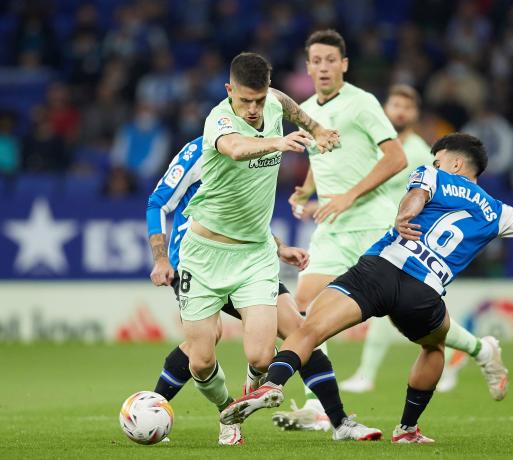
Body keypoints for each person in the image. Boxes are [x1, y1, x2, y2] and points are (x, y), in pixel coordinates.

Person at [221, 132, 513, 444]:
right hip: (424, 292)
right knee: (433, 349)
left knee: (309, 327)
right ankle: (408, 429)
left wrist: (404, 216)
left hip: (382, 267)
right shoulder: (499, 211)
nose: (433, 160)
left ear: (455, 163)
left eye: (438, 155)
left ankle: (271, 384)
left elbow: (415, 198)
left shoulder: (433, 175)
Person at [175, 52, 382, 444]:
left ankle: (276, 405)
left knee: (262, 355)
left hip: (254, 254)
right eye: (244, 100)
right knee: (200, 361)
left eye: (259, 99)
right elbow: (236, 148)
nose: (253, 109)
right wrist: (280, 142)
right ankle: (227, 412)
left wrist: (317, 129)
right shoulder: (219, 119)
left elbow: (287, 104)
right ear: (228, 90)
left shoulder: (273, 101)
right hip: (203, 255)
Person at [146, 136, 322, 444]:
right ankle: (214, 410)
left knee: (297, 329)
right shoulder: (198, 151)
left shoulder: (262, 150)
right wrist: (161, 259)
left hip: (250, 262)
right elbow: (158, 202)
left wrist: (279, 248)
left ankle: (331, 414)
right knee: (202, 352)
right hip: (197, 263)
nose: (254, 113)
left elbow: (245, 217)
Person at [279, 29, 407, 426]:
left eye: (330, 60)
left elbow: (396, 157)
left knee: (415, 318)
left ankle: (477, 348)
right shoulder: (304, 110)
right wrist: (305, 191)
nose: (322, 67)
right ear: (307, 66)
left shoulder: (362, 103)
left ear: (344, 65)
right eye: (315, 61)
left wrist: (349, 195)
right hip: (333, 228)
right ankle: (317, 406)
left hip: (371, 223)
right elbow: (322, 160)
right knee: (302, 312)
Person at [340, 84, 480, 395]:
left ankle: (366, 373)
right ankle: (467, 351)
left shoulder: (419, 153)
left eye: (407, 107)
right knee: (399, 312)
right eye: (395, 105)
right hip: (374, 233)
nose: (400, 112)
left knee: (385, 303)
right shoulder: (375, 146)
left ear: (415, 114)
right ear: (385, 109)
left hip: (407, 244)